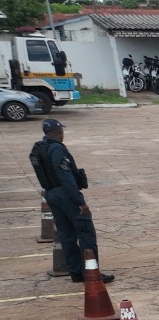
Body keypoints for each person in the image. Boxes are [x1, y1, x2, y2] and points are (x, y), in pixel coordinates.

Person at [28, 119, 111, 283]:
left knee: (66, 234)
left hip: (51, 194)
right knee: (86, 233)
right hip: (65, 194)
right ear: (59, 132)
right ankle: (91, 273)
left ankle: (76, 272)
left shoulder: (39, 147)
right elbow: (66, 177)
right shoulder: (57, 149)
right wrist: (80, 201)